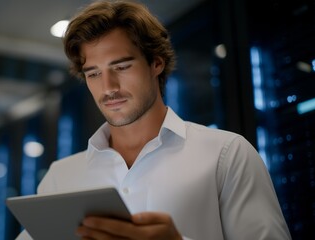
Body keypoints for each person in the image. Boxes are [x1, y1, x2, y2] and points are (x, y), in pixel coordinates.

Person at [17, 0, 291, 239]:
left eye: (121, 67)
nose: (108, 87)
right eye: (94, 74)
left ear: (156, 63)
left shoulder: (226, 154)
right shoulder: (60, 177)